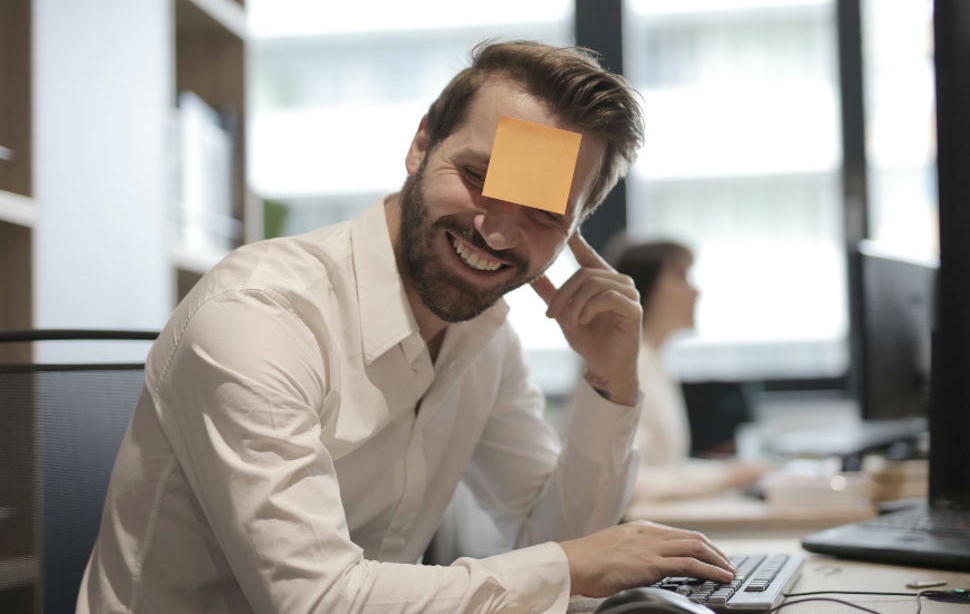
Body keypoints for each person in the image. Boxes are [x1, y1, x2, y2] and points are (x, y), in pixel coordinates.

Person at [77, 41, 736, 614]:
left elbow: (563, 541)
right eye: (479, 176)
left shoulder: (486, 340)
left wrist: (611, 380)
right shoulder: (261, 316)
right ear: (421, 143)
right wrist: (569, 567)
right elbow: (319, 601)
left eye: (544, 213)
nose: (499, 230)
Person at [608, 238, 767, 505]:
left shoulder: (651, 361)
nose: (696, 292)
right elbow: (630, 482)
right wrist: (726, 477)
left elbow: (668, 467)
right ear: (643, 286)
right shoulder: (627, 366)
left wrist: (734, 471)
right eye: (681, 277)